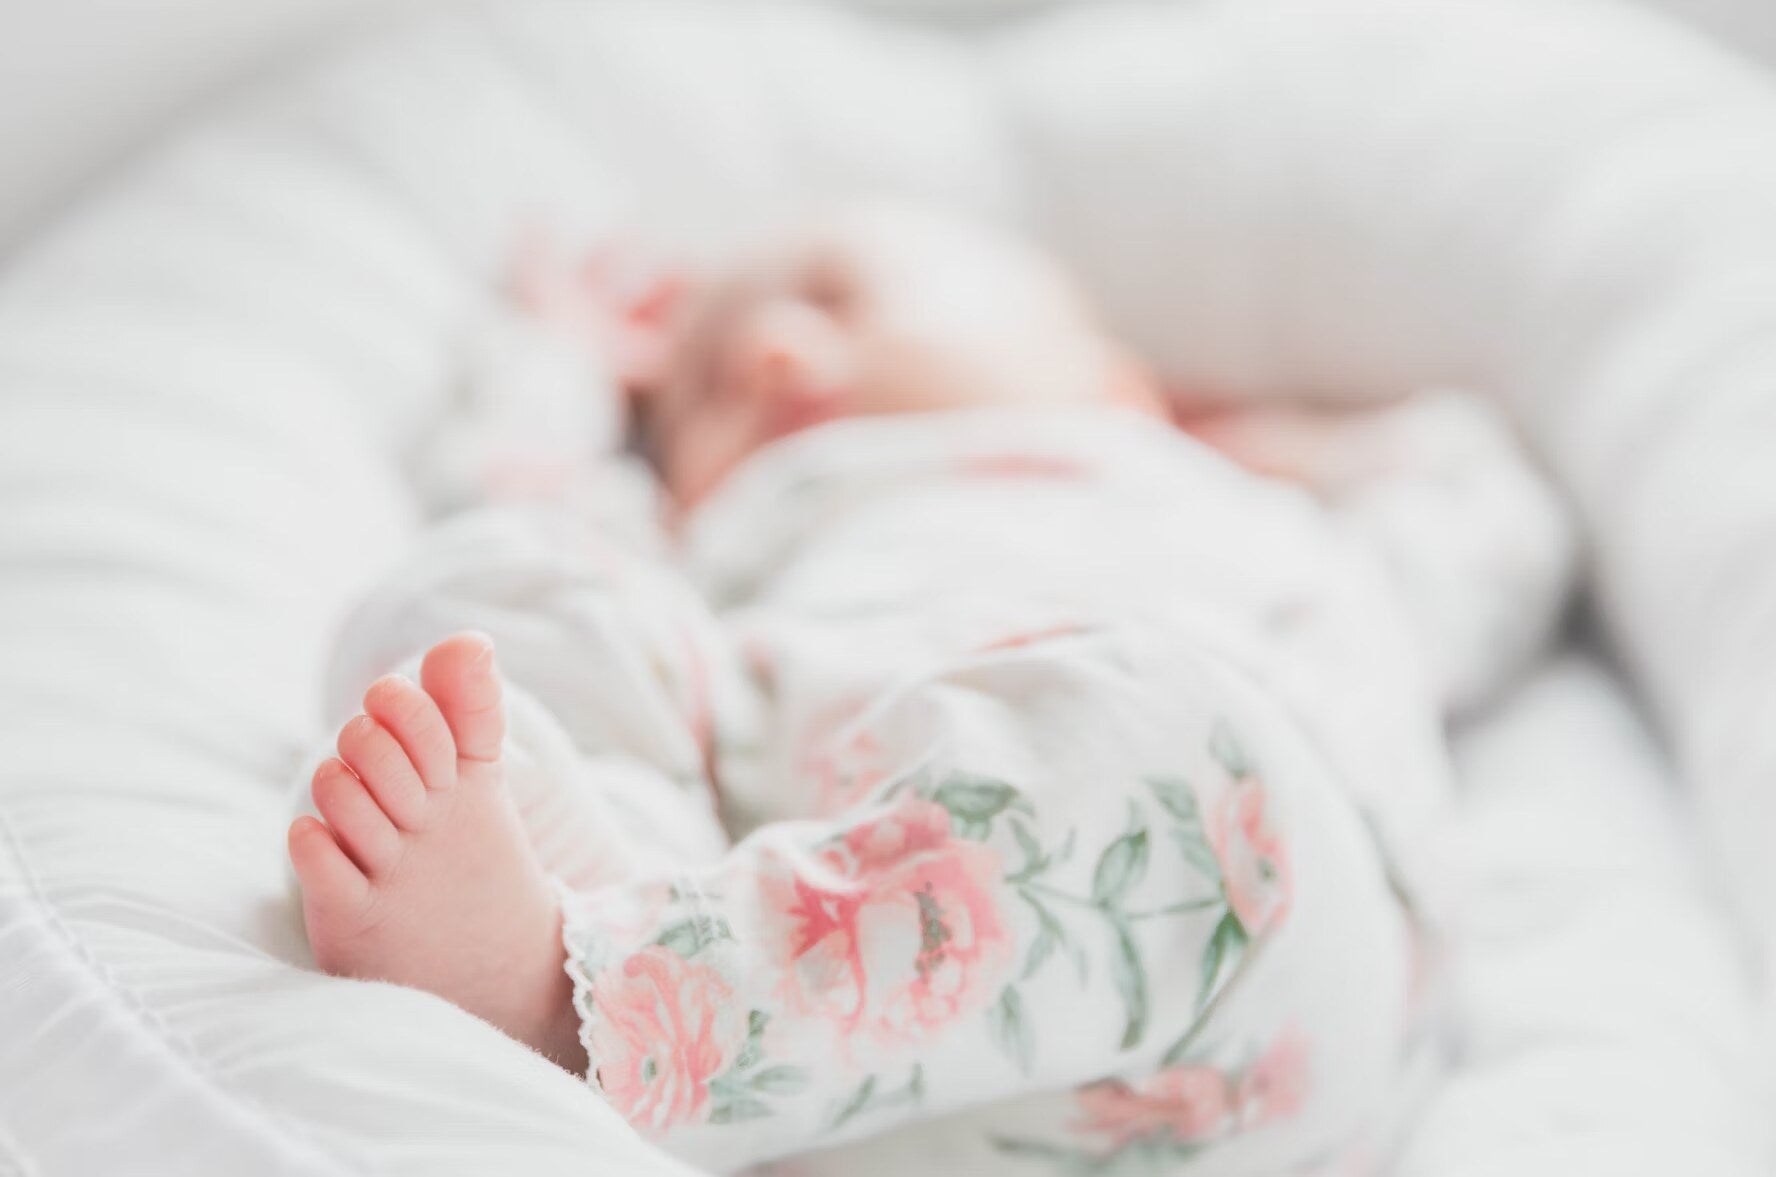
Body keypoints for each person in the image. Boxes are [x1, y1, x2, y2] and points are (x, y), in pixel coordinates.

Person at [286, 202, 1569, 1175]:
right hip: (840, 1021)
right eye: (705, 390)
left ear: (1111, 373)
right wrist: (559, 354)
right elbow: (515, 484)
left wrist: (1220, 438)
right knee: (498, 583)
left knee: (1155, 738)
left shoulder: (1229, 515)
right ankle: (605, 919)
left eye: (842, 298)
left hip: (1232, 989)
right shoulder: (722, 535)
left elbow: (1493, 510)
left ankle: (598, 1004)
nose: (775, 353)